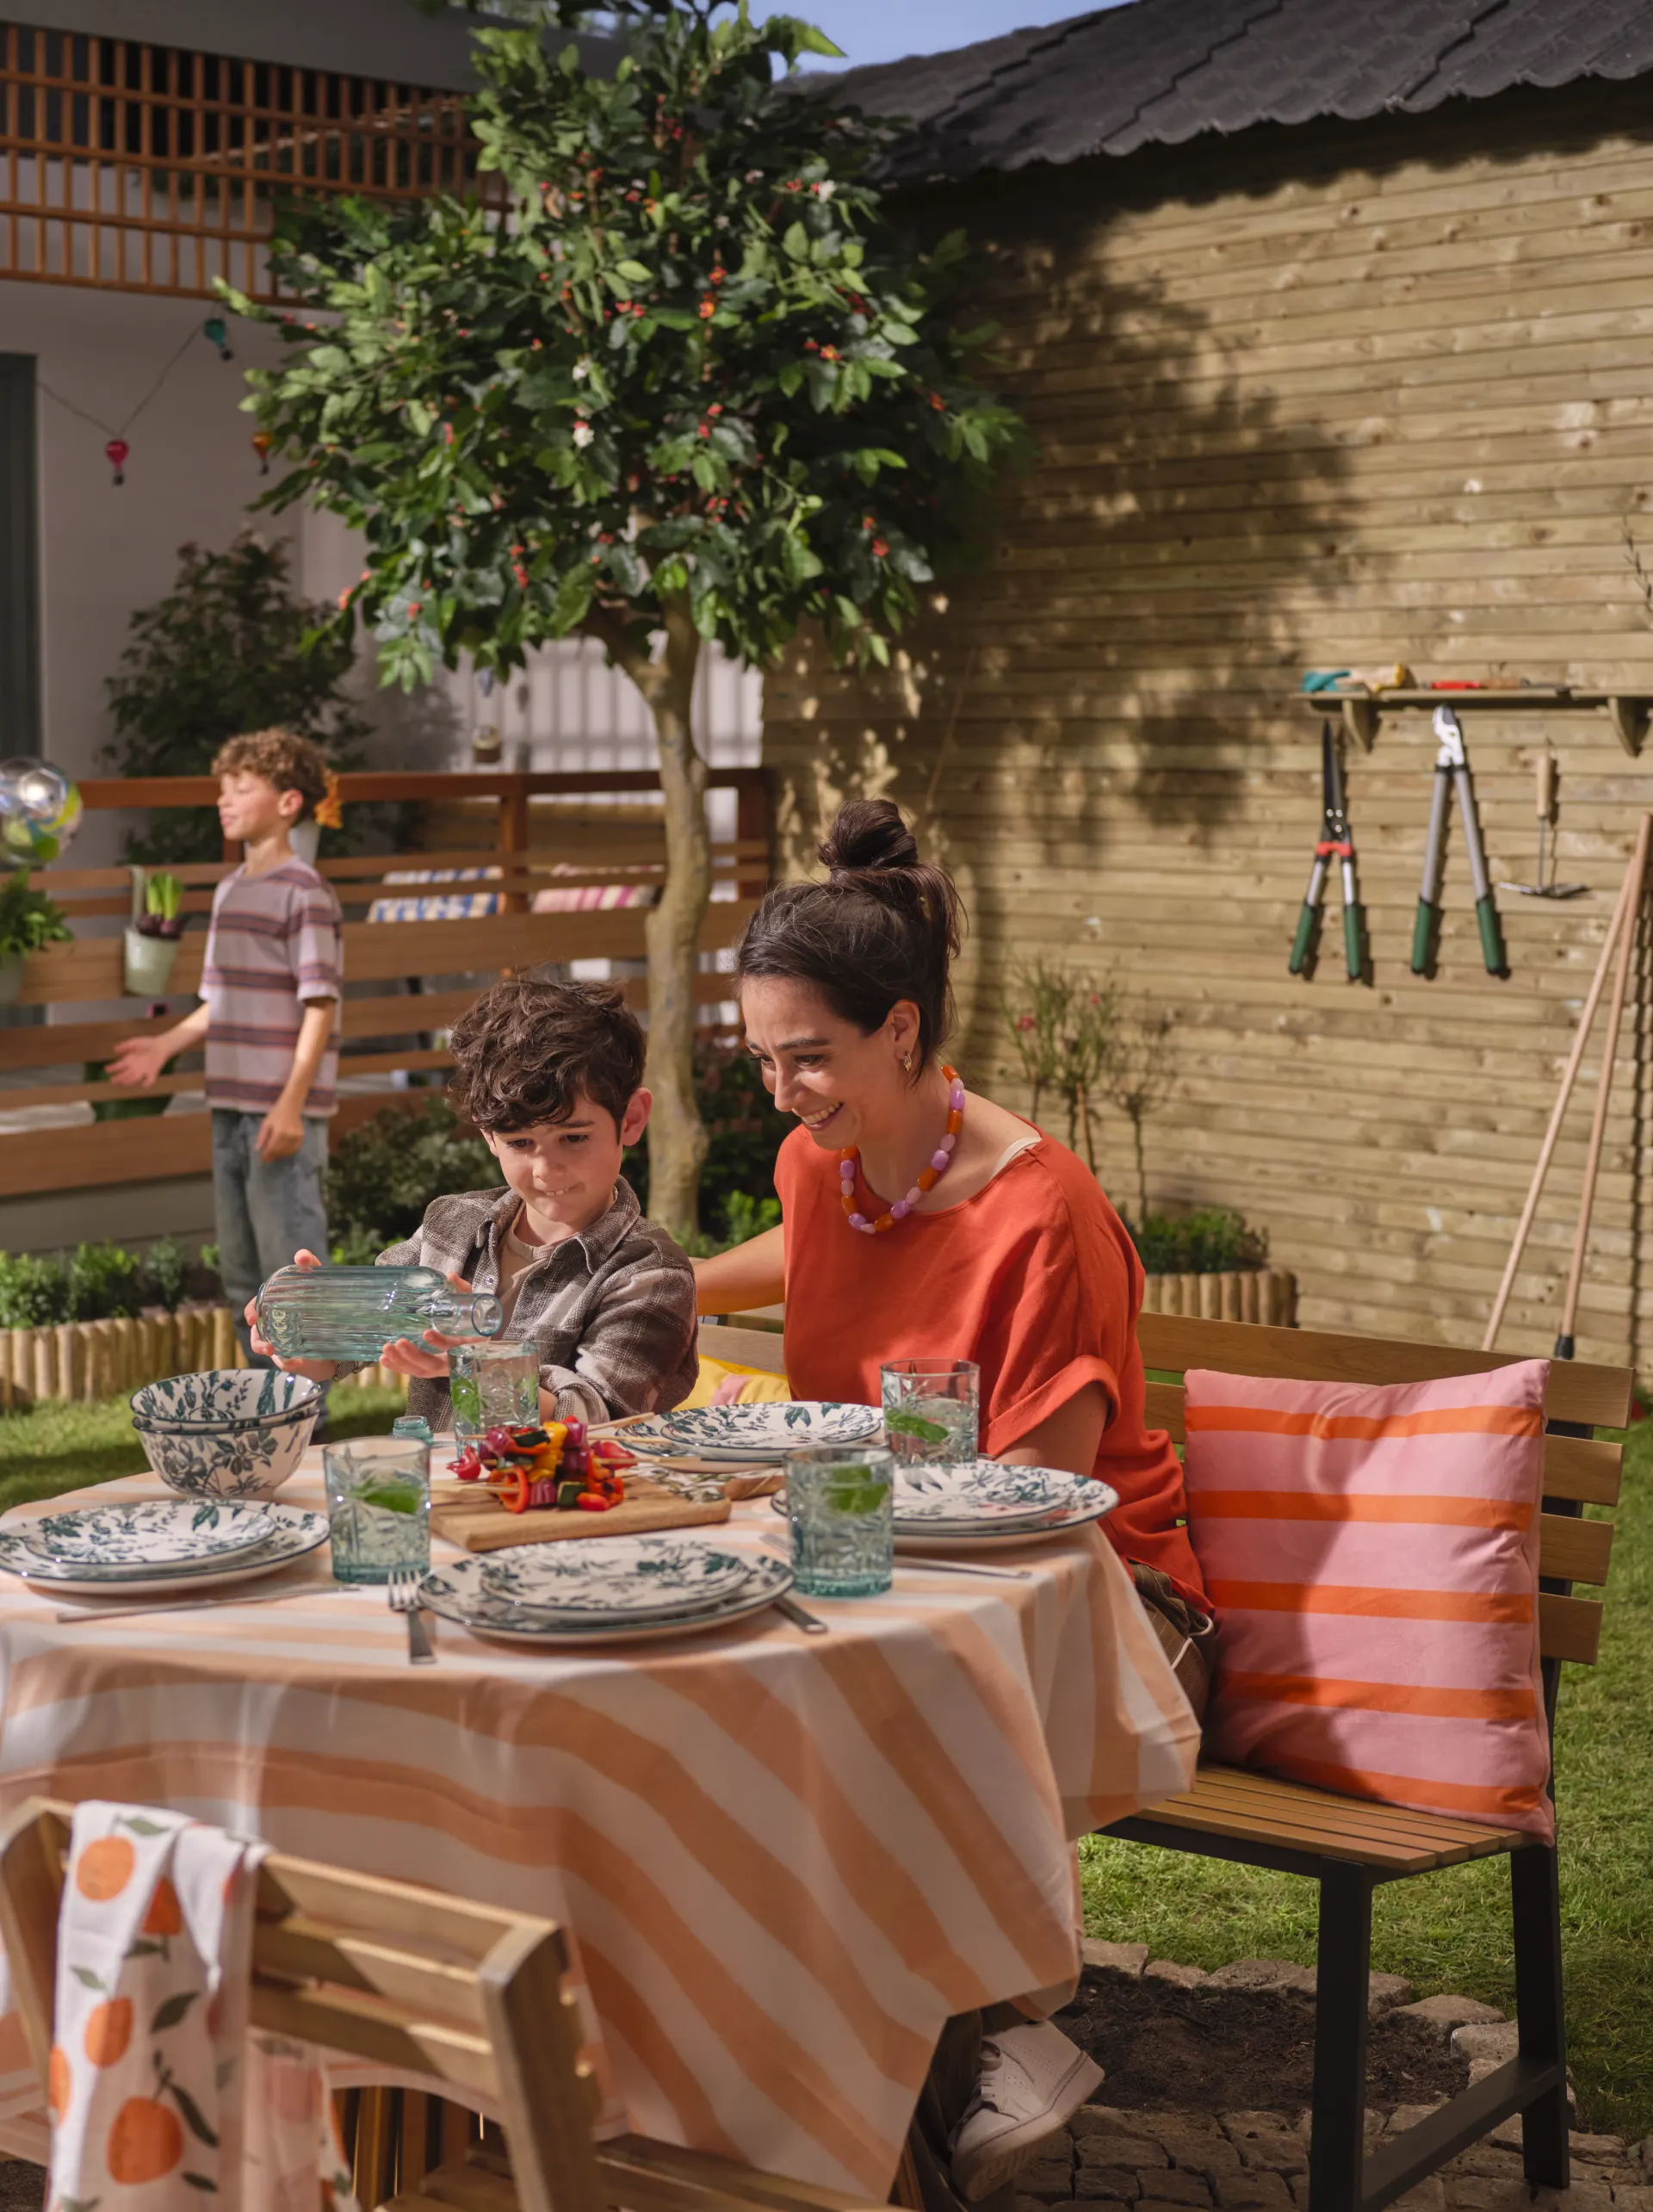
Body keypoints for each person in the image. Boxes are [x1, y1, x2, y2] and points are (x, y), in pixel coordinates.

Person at [694, 797, 1212, 2210]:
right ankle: (795, 2076)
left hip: (1104, 1606)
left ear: (905, 1029)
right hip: (891, 1569)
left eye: (811, 1056)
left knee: (855, 1712)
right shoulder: (823, 1158)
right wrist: (669, 1283)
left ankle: (994, 2028)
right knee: (731, 1695)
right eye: (764, 1059)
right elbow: (817, 1237)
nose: (783, 1093)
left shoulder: (1045, 1213)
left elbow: (1044, 1504)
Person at [253, 975, 699, 1435]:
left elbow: (602, 1421)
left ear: (631, 1119)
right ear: (488, 1135)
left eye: (574, 1138)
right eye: (520, 1142)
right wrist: (307, 1335)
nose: (547, 1170)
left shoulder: (649, 1274)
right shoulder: (451, 1226)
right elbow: (348, 1348)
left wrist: (481, 1365)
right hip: (442, 1478)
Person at [108, 730, 343, 1366]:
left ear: (289, 802)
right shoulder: (229, 890)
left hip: (281, 1116)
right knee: (242, 1278)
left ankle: (310, 1407)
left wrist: (291, 1106)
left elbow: (320, 1005)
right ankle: (268, 1405)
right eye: (223, 788)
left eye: (241, 788)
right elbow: (220, 999)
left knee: (290, 1278)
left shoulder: (305, 892)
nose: (224, 799)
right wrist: (164, 1046)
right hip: (229, 1108)